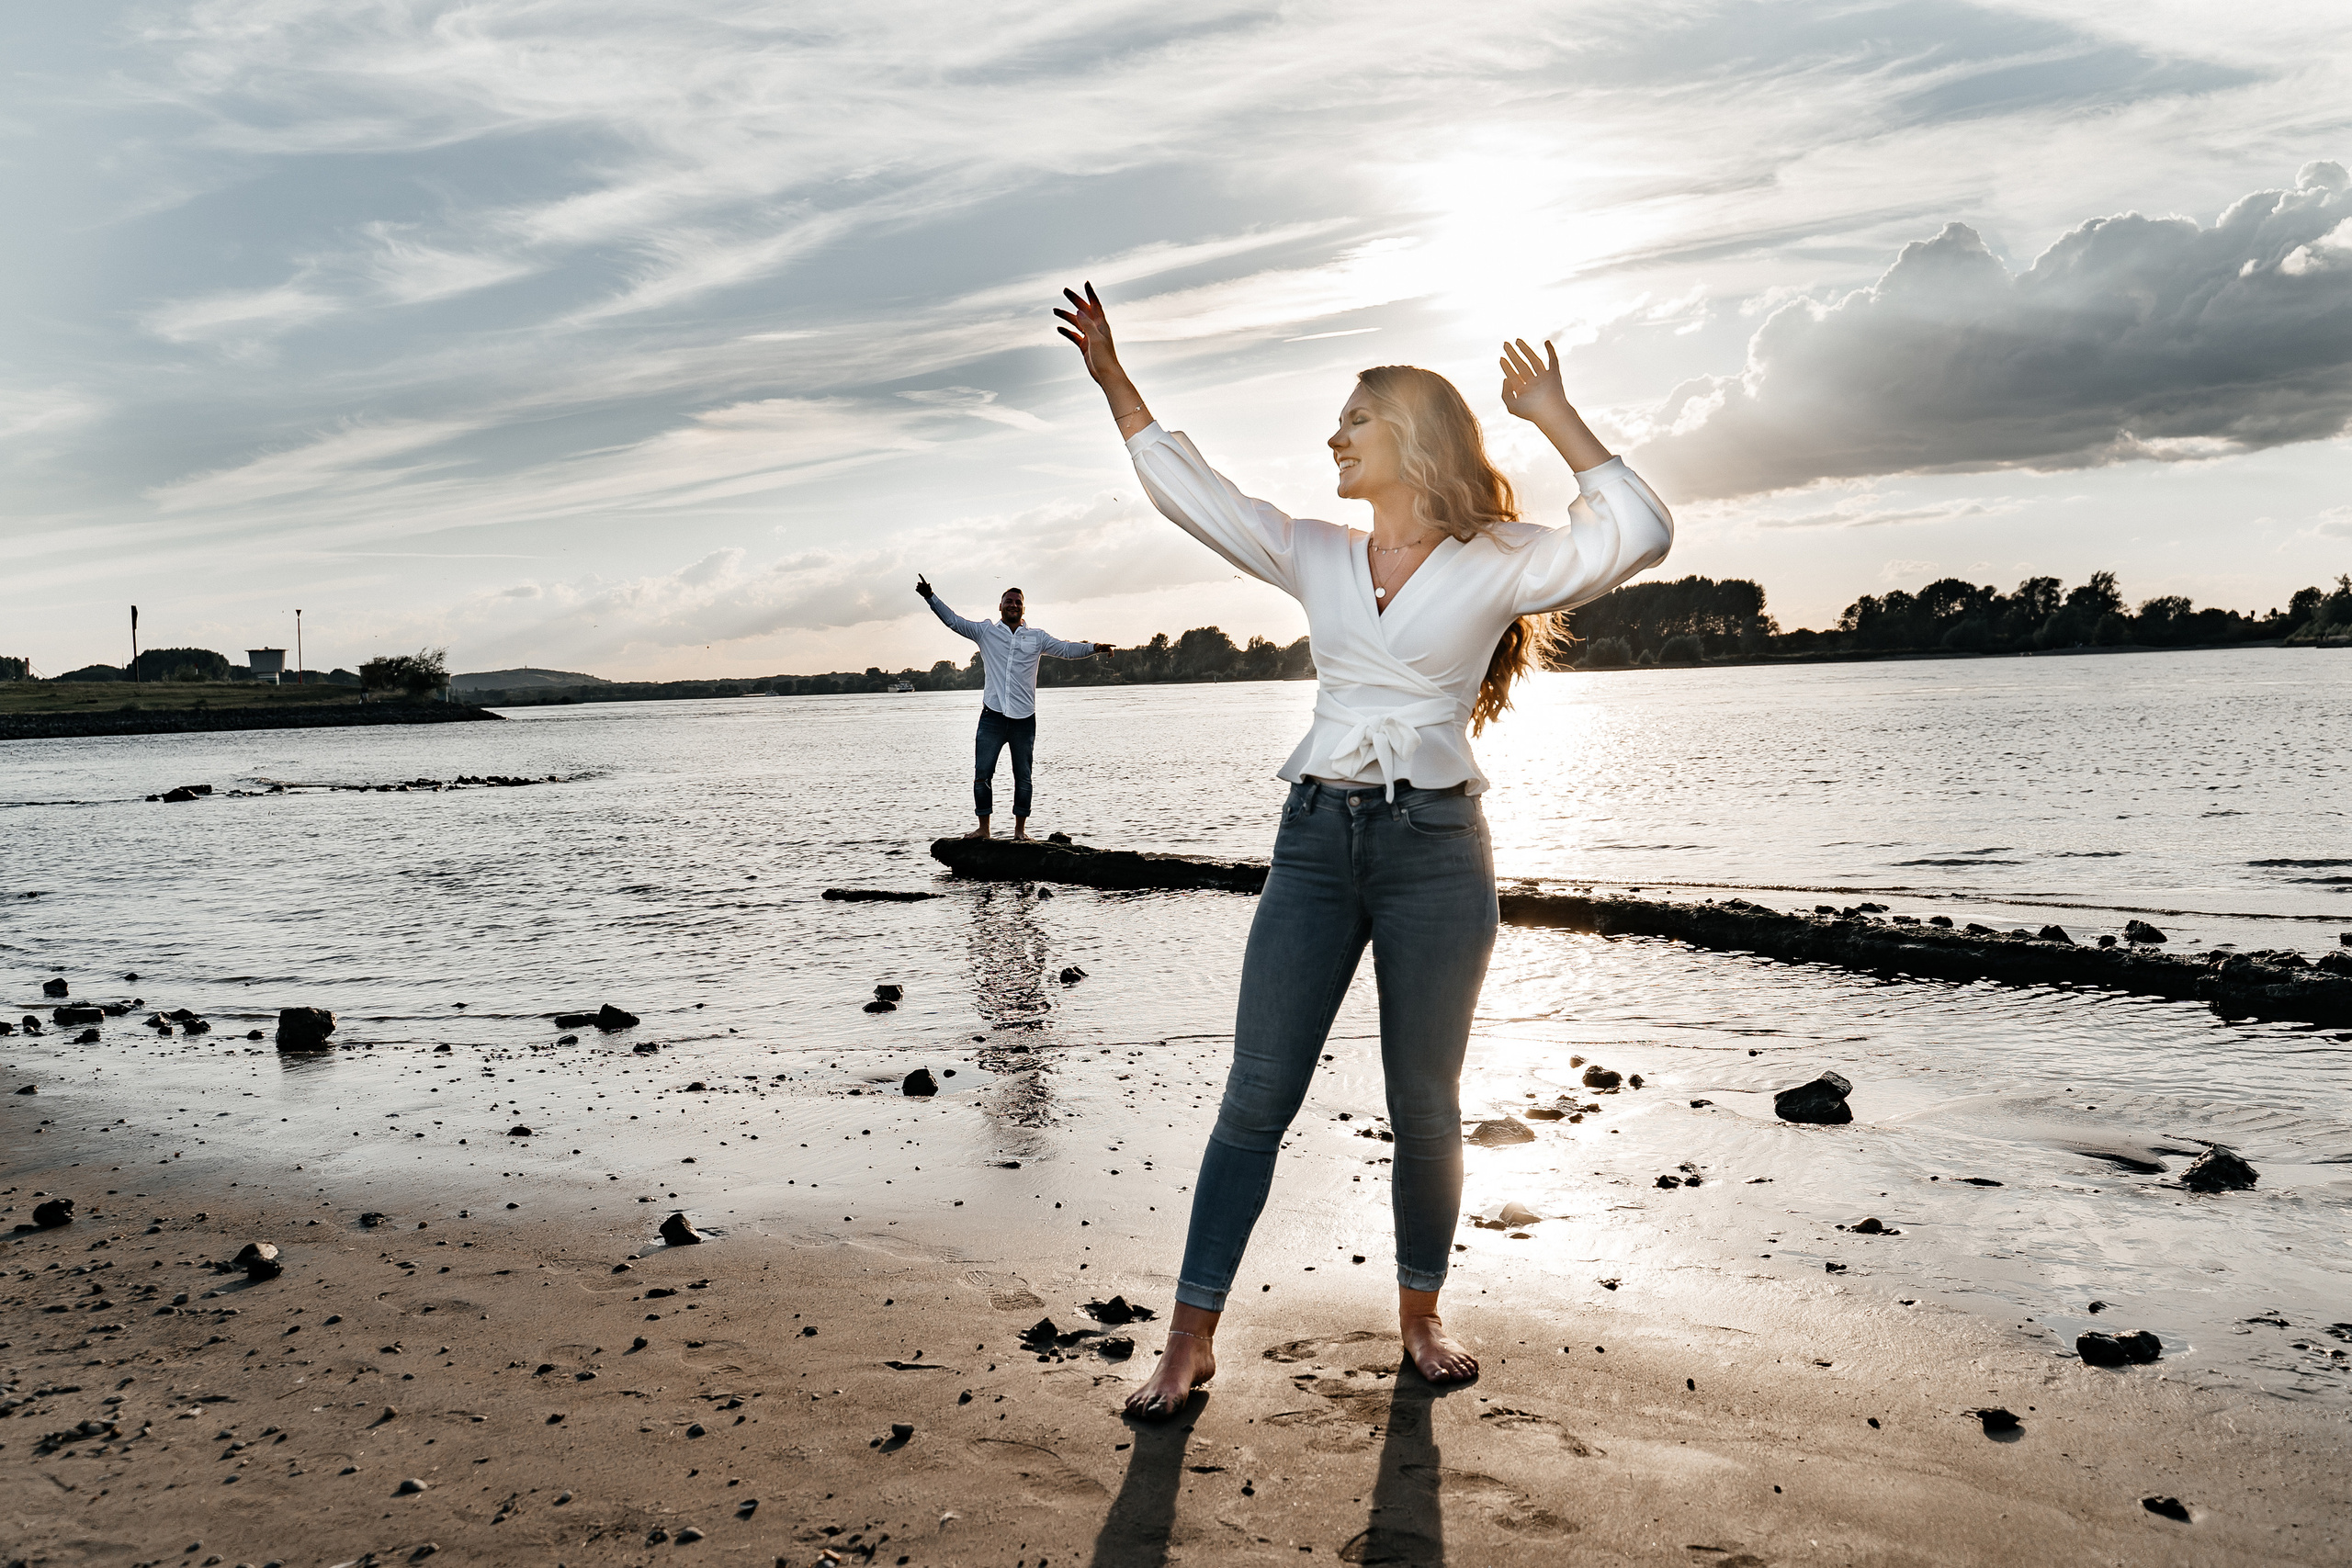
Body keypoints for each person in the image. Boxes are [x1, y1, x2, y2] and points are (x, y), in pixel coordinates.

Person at [1052, 282, 1674, 1417]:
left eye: (1355, 419)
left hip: (1435, 850)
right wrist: (1115, 382)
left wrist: (1551, 415)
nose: (1332, 437)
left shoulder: (1503, 558)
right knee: (1255, 1096)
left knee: (1425, 1104)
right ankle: (1188, 1340)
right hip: (1313, 845)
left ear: (1415, 440)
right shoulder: (1316, 553)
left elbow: (1639, 532)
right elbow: (1194, 494)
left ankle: (1420, 1316)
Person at [918, 576, 1112, 840]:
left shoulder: (1037, 638)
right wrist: (930, 597)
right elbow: (953, 621)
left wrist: (1094, 647)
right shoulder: (986, 632)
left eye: (1018, 602)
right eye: (1008, 601)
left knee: (1023, 777)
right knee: (982, 774)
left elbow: (1066, 649)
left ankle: (1020, 832)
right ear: (1000, 606)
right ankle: (984, 830)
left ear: (1023, 608)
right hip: (993, 716)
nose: (1013, 605)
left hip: (1024, 718)